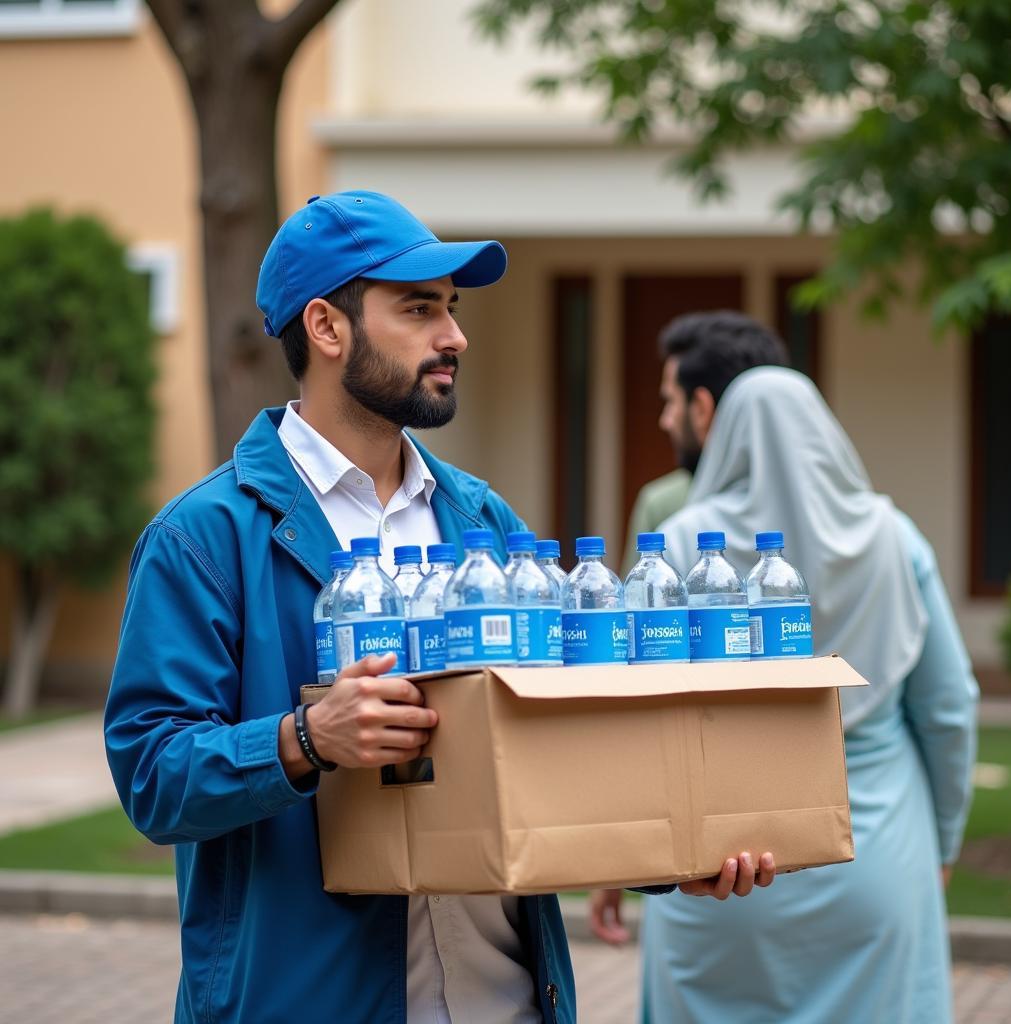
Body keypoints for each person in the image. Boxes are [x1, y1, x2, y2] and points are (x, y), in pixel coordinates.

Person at [104, 191, 773, 1024]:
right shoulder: (203, 537)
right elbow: (152, 776)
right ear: (326, 327)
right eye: (419, 308)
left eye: (451, 310)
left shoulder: (486, 522)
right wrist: (304, 739)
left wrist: (677, 855)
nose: (453, 335)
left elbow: (551, 751)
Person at [597, 360, 978, 1023]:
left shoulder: (683, 541)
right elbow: (948, 709)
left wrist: (623, 853)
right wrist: (942, 846)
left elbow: (640, 712)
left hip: (722, 866)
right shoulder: (894, 536)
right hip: (874, 851)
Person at [620, 311, 788, 576]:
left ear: (700, 409)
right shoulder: (834, 511)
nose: (665, 421)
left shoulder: (667, 511)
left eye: (671, 401)